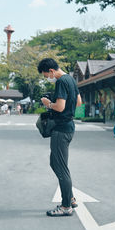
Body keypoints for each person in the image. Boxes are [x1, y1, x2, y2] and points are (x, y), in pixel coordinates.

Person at [38, 58, 82, 217]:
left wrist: (47, 103)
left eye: (45, 75)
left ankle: (66, 206)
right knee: (55, 163)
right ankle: (70, 197)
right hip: (69, 127)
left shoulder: (61, 81)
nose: (47, 78)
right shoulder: (71, 79)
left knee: (61, 168)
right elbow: (79, 102)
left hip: (61, 129)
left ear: (51, 71)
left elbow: (60, 106)